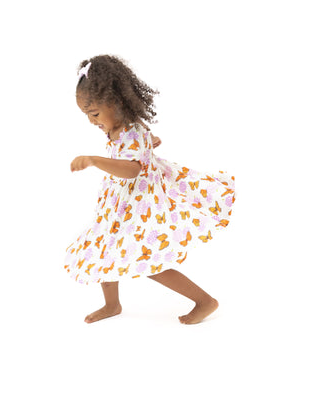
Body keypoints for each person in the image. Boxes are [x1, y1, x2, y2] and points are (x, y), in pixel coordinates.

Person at [64, 55, 236, 324]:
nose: (91, 121)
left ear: (116, 102)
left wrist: (95, 160)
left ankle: (204, 301)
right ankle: (112, 305)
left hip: (141, 202)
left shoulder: (129, 130)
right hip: (120, 200)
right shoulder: (124, 124)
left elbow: (132, 169)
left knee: (147, 259)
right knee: (105, 248)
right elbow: (143, 141)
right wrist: (150, 141)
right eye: (86, 115)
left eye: (94, 114)